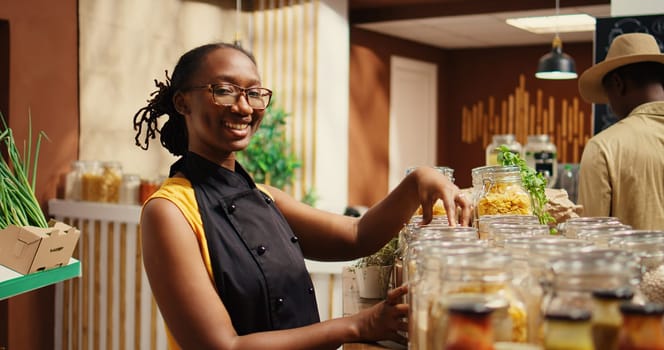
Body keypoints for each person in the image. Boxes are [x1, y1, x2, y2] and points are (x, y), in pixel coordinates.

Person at [133, 42, 472, 350]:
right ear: (182, 102)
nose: (243, 107)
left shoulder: (266, 197)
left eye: (254, 93)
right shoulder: (169, 211)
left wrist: (418, 180)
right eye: (223, 90)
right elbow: (224, 347)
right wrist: (360, 325)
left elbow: (358, 236)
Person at [577, 33, 664, 230]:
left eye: (608, 95)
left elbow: (591, 237)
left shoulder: (605, 147)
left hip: (635, 262)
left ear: (618, 83)